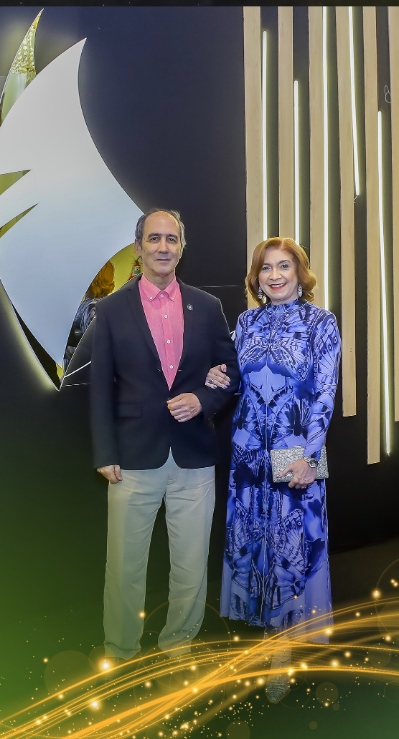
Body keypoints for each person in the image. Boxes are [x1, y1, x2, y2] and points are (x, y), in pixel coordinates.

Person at [89, 210, 240, 661]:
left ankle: (179, 646)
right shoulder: (111, 309)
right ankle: (120, 649)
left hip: (194, 454)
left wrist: (203, 400)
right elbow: (100, 387)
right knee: (124, 566)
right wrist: (104, 450)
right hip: (132, 457)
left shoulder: (207, 307)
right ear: (138, 248)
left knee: (191, 563)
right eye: (153, 238)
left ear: (181, 247)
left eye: (171, 239)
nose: (163, 247)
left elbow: (230, 373)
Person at [205, 237, 340, 701]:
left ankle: (282, 650)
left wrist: (309, 456)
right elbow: (236, 383)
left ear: (300, 272)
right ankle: (265, 632)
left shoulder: (321, 322)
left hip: (294, 449)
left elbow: (326, 393)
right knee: (256, 541)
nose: (275, 275)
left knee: (289, 544)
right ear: (256, 277)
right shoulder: (246, 322)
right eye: (266, 268)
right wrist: (217, 377)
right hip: (248, 451)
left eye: (284, 266)